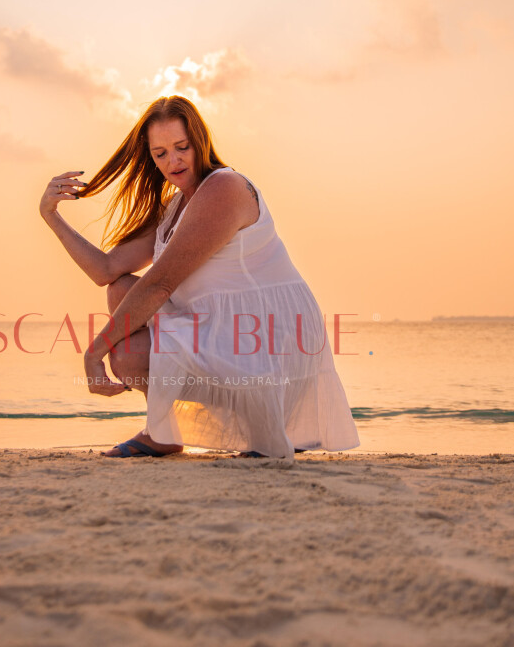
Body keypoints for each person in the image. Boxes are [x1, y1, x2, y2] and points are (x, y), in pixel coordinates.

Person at [39, 95, 360, 459]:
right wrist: (51, 215)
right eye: (160, 153)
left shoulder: (225, 187)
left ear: (200, 141)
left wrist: (93, 353)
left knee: (128, 322)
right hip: (223, 328)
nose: (173, 161)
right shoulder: (175, 206)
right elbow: (106, 270)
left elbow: (160, 285)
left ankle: (263, 429)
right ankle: (162, 430)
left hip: (268, 335)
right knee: (123, 321)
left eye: (182, 147)